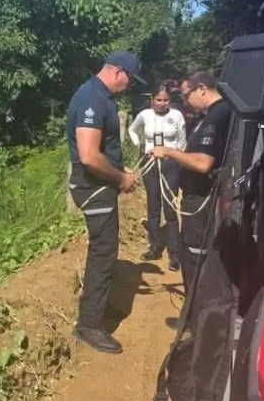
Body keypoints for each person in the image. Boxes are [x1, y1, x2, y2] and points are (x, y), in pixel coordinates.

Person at [67, 50, 145, 354]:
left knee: (106, 249)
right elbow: (89, 156)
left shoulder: (98, 97)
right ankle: (89, 326)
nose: (130, 86)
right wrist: (120, 178)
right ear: (119, 72)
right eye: (130, 80)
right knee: (104, 252)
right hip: (94, 187)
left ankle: (95, 310)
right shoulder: (92, 99)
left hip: (100, 184)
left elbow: (103, 150)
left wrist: (120, 169)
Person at [151, 70, 232, 294]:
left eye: (187, 95)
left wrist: (169, 151)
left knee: (196, 255)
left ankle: (197, 312)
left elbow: (203, 163)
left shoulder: (219, 115)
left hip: (202, 201)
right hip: (195, 199)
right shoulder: (209, 116)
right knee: (193, 253)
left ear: (202, 89)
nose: (185, 101)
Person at [128, 84, 187, 270]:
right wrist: (139, 144)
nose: (162, 103)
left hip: (170, 164)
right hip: (149, 162)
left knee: (170, 209)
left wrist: (175, 156)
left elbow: (182, 142)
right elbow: (132, 130)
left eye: (166, 100)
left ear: (170, 100)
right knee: (153, 207)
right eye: (158, 100)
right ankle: (154, 248)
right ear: (152, 99)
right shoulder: (144, 115)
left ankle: (174, 255)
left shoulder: (176, 116)